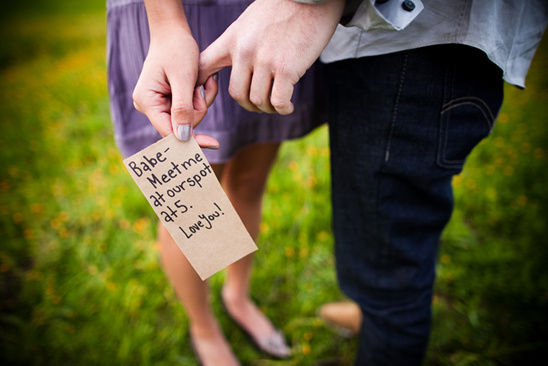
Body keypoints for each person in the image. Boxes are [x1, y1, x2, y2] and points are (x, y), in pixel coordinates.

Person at [192, 0, 548, 364]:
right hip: (383, 42)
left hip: (416, 45)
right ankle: (207, 324)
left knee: (389, 272)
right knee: (376, 235)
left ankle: (379, 314)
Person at [106, 0, 327, 365]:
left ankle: (237, 297)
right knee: (191, 202)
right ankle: (203, 327)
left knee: (250, 180)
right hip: (172, 16)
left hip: (263, 13)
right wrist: (166, 24)